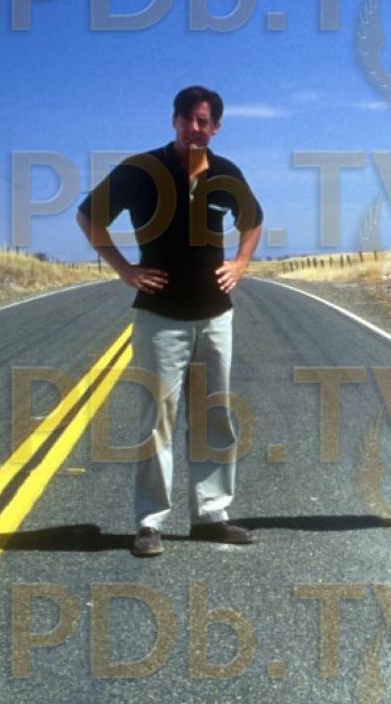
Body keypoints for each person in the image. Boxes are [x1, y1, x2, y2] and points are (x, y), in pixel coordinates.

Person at [76, 86, 264, 556]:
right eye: (187, 119)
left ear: (216, 127)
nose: (194, 128)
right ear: (174, 120)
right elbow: (89, 217)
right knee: (156, 419)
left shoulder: (226, 173)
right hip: (160, 316)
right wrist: (125, 270)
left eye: (203, 121)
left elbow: (253, 220)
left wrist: (241, 263)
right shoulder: (142, 171)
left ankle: (211, 515)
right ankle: (149, 523)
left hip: (215, 315)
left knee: (214, 416)